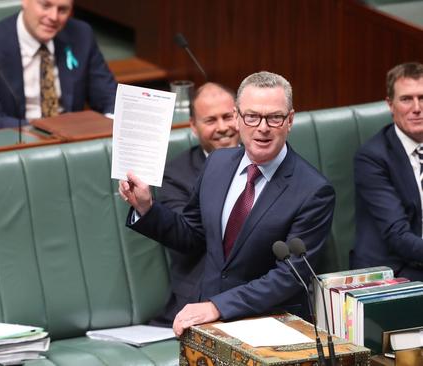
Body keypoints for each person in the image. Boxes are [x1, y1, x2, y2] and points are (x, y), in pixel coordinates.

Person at [119, 71, 335, 336]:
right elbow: (193, 235)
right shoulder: (218, 163)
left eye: (275, 117)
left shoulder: (313, 190)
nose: (262, 127)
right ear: (237, 117)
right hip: (207, 323)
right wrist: (146, 208)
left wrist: (218, 307)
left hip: (271, 326)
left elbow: (290, 275)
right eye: (252, 116)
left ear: (289, 120)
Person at [152, 82, 240, 326]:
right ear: (193, 126)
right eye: (210, 120)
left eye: (228, 116)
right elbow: (189, 237)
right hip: (201, 297)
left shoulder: (262, 160)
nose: (222, 128)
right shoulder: (176, 175)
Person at [0, 0, 117, 132]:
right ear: (25, 2)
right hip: (11, 143)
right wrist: (50, 130)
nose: (54, 17)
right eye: (45, 5)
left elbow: (109, 97)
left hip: (69, 143)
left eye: (62, 10)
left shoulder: (81, 34)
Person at [351, 62, 423, 281]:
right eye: (406, 99)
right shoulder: (372, 158)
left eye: (422, 98)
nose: (417, 107)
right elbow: (398, 237)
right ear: (390, 105)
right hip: (394, 270)